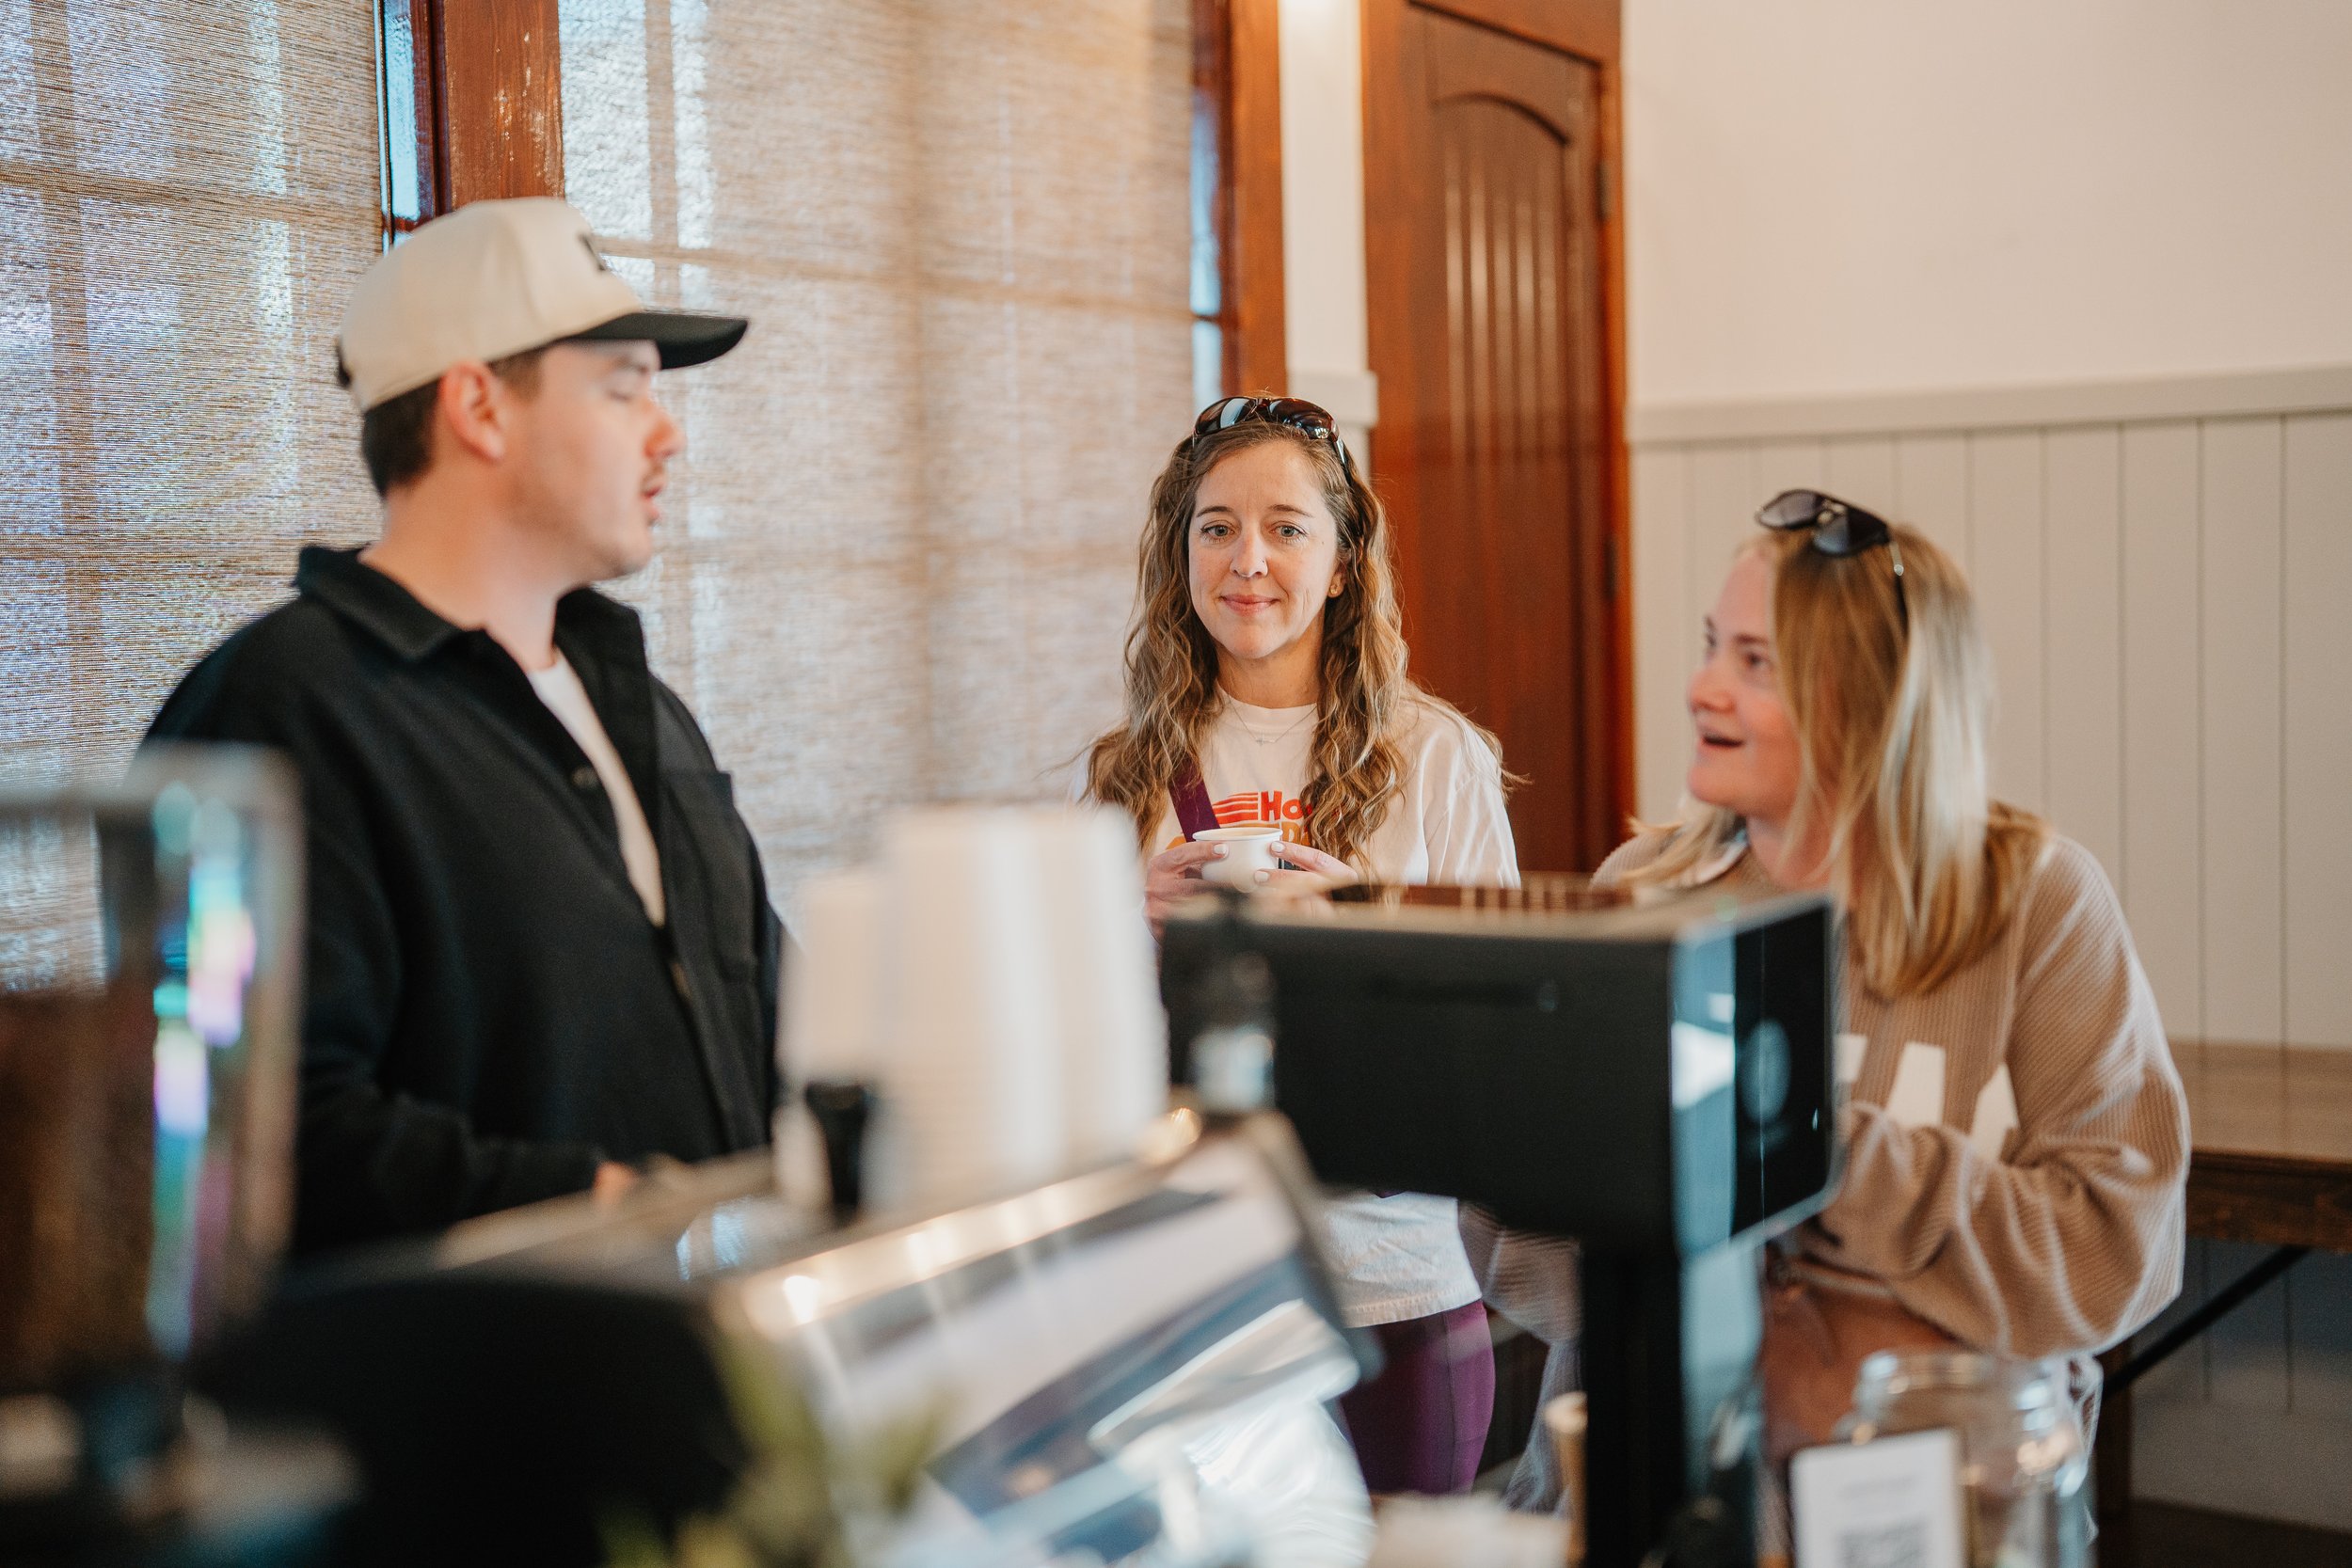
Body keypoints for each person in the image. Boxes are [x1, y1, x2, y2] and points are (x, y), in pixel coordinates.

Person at [1474, 491, 2188, 1513]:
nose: (1703, 687)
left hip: (1940, 1514)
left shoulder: (2037, 903)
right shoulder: (1638, 895)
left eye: (1756, 662)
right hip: (1653, 1501)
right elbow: (1524, 1253)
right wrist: (1839, 1310)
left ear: (1876, 698)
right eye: (1712, 645)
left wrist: (1810, 1148)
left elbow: (2114, 1252)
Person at [147, 198, 780, 1256]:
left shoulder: (645, 710)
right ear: (479, 407)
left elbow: (759, 1019)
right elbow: (246, 1124)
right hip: (472, 1353)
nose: (668, 433)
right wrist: (600, 1202)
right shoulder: (275, 711)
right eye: (624, 389)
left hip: (712, 1338)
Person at [1083, 395, 1520, 1496]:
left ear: (1341, 564)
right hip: (1193, 1287)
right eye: (1216, 527)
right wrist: (1123, 919)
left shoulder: (1437, 756)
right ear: (1180, 555)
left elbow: (1507, 1027)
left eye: (1285, 527)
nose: (1248, 560)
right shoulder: (1128, 772)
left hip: (1392, 1286)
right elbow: (1080, 1047)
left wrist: (1363, 935)